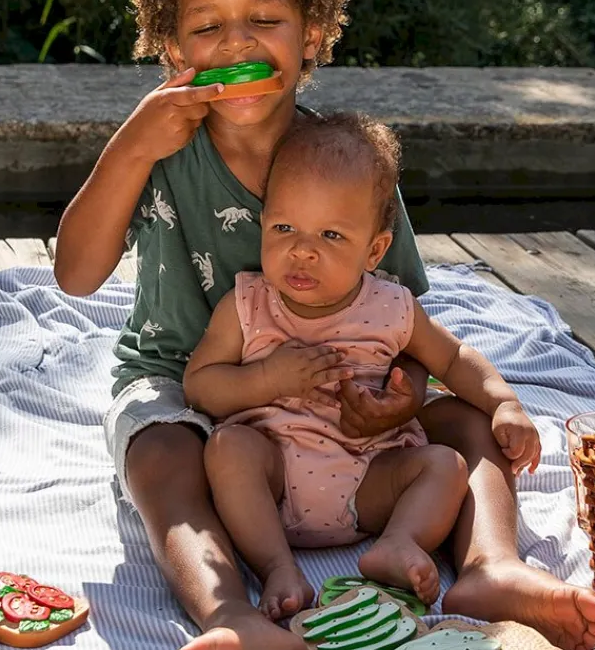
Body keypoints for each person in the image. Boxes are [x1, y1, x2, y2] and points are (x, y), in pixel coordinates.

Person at [53, 0, 595, 650]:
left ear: (311, 30)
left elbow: (407, 329)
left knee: (463, 421)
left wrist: (398, 396)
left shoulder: (352, 169)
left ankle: (492, 565)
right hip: (192, 390)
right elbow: (74, 273)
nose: (237, 44)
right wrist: (131, 145)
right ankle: (236, 618)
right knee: (160, 453)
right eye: (207, 26)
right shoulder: (161, 154)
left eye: (264, 20)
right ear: (171, 46)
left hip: (343, 401)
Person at [183, 113, 543, 620]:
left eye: (331, 235)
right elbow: (200, 386)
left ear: (374, 250)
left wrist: (503, 402)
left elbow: (452, 358)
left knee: (445, 466)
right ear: (262, 223)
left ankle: (398, 542)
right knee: (227, 448)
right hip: (272, 479)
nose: (302, 250)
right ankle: (277, 567)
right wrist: (265, 379)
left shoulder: (391, 307)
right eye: (284, 227)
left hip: (369, 478)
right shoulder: (246, 304)